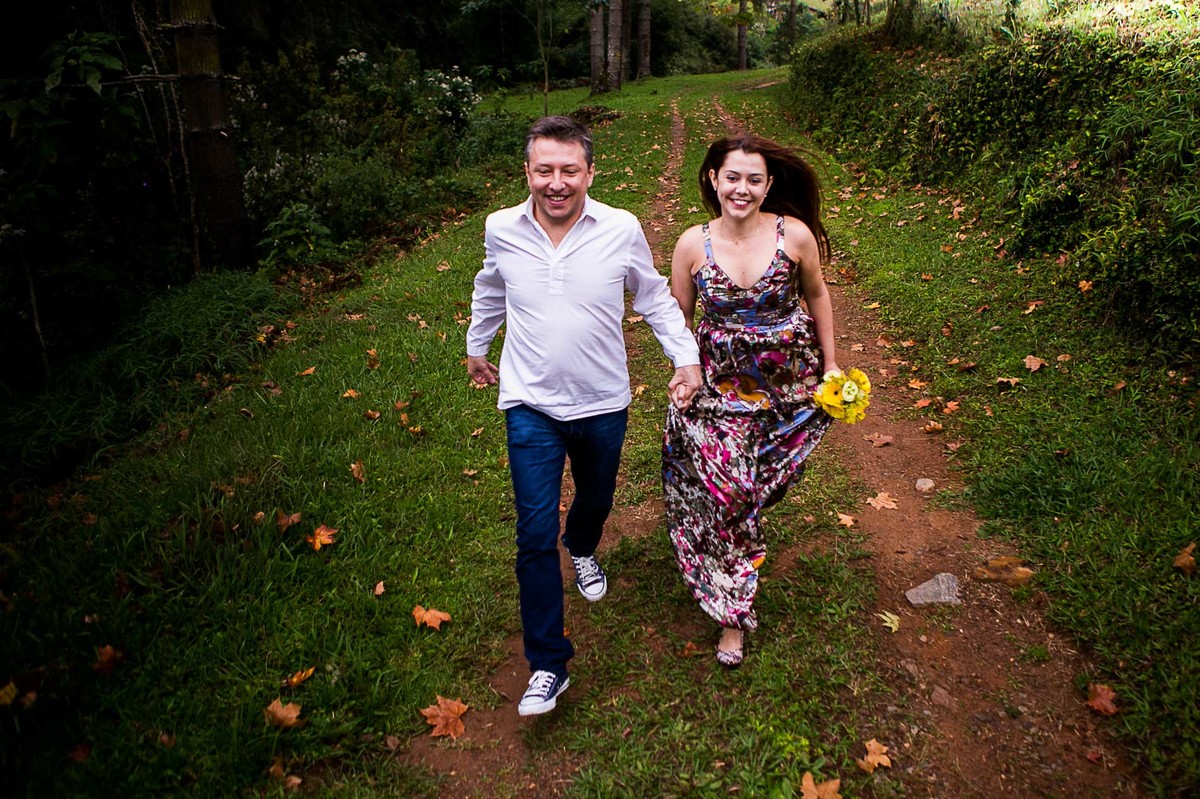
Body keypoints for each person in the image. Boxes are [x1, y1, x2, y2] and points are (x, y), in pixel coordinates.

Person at [467, 116, 703, 716]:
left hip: (602, 400)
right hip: (530, 403)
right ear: (527, 172)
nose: (556, 182)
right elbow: (490, 287)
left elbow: (653, 297)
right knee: (532, 532)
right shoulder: (500, 228)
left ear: (590, 173)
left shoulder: (620, 228)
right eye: (544, 170)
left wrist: (685, 358)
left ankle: (583, 544)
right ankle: (548, 664)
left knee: (596, 497)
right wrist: (477, 344)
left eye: (569, 170)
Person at [662, 135, 837, 667]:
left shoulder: (794, 236)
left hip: (788, 385)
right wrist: (682, 371)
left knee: (758, 486)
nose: (742, 189)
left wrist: (831, 365)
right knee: (734, 493)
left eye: (754, 179)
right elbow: (679, 317)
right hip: (719, 386)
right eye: (732, 177)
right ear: (714, 180)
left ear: (769, 184)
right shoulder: (691, 245)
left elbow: (817, 295)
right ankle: (732, 615)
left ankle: (736, 531)